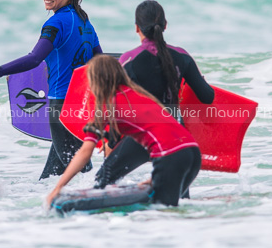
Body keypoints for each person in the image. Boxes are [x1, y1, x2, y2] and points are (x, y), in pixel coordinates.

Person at [0, 0, 102, 179]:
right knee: (51, 176)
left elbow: (34, 58)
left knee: (81, 173)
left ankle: (106, 203)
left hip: (61, 107)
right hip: (81, 105)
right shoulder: (86, 23)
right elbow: (99, 62)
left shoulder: (56, 23)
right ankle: (38, 208)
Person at [46, 55, 201, 207]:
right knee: (177, 210)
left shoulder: (107, 105)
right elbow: (161, 130)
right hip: (192, 153)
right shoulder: (139, 94)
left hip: (170, 155)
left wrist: (58, 188)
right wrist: (159, 175)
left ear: (95, 80)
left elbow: (85, 152)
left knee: (162, 214)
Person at [94, 0, 215, 190]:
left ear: (137, 27)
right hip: (178, 138)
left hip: (142, 138)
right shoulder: (182, 56)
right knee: (177, 197)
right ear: (165, 25)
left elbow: (117, 105)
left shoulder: (129, 60)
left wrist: (110, 140)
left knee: (101, 182)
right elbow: (207, 97)